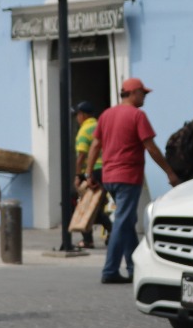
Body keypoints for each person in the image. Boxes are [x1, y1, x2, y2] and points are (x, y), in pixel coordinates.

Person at [85, 77, 179, 285]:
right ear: (134, 92)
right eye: (143, 93)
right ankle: (110, 270)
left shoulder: (106, 115)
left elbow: (94, 146)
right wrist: (169, 172)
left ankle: (133, 267)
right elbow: (151, 147)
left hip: (109, 177)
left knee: (126, 222)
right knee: (122, 221)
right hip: (128, 177)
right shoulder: (138, 115)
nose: (144, 97)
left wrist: (89, 173)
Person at [71, 101, 110, 250]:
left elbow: (81, 156)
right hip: (107, 170)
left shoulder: (84, 130)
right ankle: (112, 233)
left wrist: (78, 175)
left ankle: (88, 240)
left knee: (84, 205)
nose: (76, 118)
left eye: (77, 115)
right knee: (97, 207)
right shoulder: (101, 126)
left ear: (83, 115)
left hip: (93, 172)